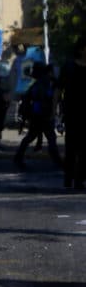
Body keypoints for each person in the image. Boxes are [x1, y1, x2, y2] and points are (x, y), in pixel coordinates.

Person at [13, 63, 62, 170]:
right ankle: (57, 162)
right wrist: (51, 114)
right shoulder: (45, 83)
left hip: (37, 115)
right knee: (50, 138)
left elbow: (27, 98)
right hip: (44, 115)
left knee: (31, 137)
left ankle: (18, 157)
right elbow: (49, 99)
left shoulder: (36, 84)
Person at [56, 36, 85, 189]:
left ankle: (79, 179)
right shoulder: (69, 66)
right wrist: (55, 109)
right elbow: (59, 88)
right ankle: (69, 179)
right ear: (81, 49)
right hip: (72, 111)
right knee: (71, 148)